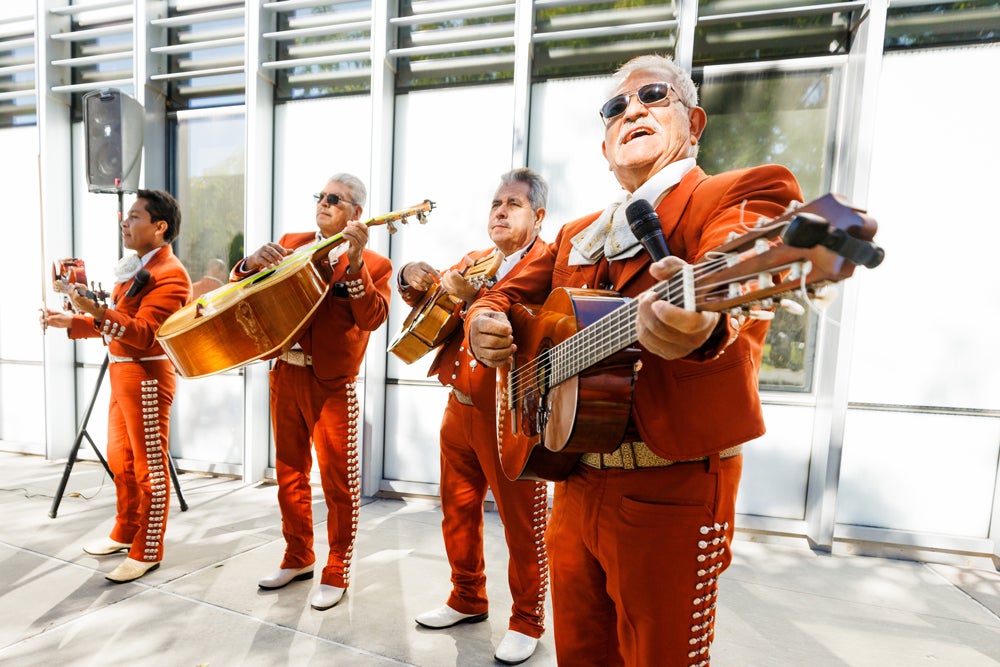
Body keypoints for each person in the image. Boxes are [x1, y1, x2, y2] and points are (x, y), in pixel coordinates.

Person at [465, 55, 803, 666]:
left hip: (669, 491)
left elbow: (738, 271)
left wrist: (701, 323)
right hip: (572, 479)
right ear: (604, 146)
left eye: (654, 95)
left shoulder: (740, 194)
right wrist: (482, 322)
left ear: (693, 123)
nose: (633, 110)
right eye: (616, 106)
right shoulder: (578, 233)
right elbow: (504, 291)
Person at [397, 168, 551, 665]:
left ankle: (526, 620)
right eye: (496, 203)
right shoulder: (476, 260)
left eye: (514, 204)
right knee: (457, 512)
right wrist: (409, 276)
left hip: (512, 416)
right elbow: (429, 304)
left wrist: (473, 301)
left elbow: (539, 323)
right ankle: (467, 597)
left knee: (522, 524)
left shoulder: (550, 263)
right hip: (459, 409)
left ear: (538, 216)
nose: (501, 211)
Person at [232, 173, 392, 611]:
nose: (323, 203)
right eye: (320, 196)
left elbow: (372, 318)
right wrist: (248, 264)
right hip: (284, 374)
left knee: (339, 484)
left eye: (334, 199)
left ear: (356, 214)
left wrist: (356, 263)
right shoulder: (290, 241)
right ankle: (298, 554)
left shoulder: (375, 263)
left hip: (331, 386)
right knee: (288, 474)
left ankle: (336, 569)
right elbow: (244, 289)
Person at [41, 189, 192, 583]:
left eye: (136, 217)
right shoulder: (138, 267)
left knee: (149, 468)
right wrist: (72, 321)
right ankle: (127, 531)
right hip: (123, 372)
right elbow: (121, 319)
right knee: (121, 461)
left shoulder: (171, 273)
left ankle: (149, 548)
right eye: (126, 217)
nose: (125, 222)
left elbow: (143, 334)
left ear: (160, 228)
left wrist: (93, 309)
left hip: (145, 376)